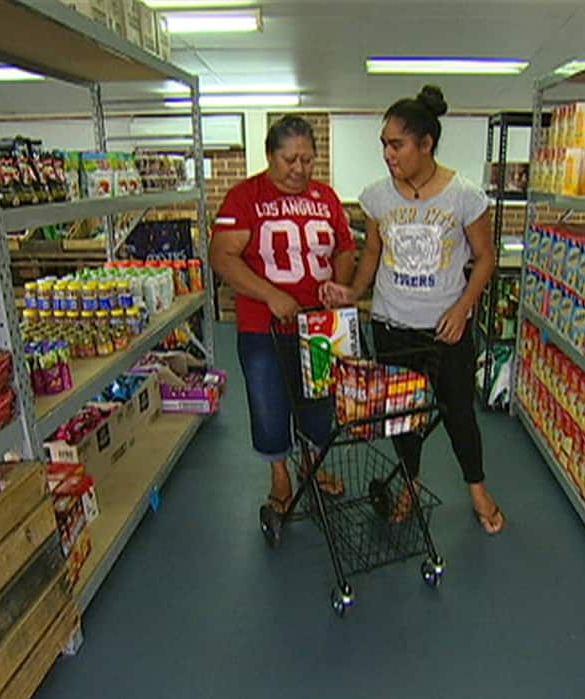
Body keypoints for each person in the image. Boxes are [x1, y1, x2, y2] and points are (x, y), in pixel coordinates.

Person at [320, 85, 505, 535]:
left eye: (396, 144)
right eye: (384, 144)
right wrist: (353, 293)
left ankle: (478, 489)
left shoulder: (465, 196)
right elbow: (372, 254)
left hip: (446, 329)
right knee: (401, 416)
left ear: (426, 144)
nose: (388, 154)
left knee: (459, 412)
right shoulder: (377, 197)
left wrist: (462, 309)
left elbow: (486, 258)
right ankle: (409, 482)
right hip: (392, 326)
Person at [210, 115, 357, 516]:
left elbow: (345, 248)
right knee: (269, 402)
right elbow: (221, 256)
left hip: (321, 326)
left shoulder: (326, 196)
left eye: (307, 159)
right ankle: (279, 475)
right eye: (289, 159)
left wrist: (339, 286)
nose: (299, 169)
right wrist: (270, 295)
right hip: (264, 327)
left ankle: (312, 464)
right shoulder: (244, 197)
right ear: (269, 156)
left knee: (320, 402)